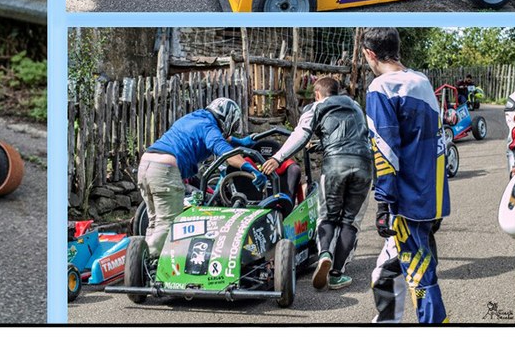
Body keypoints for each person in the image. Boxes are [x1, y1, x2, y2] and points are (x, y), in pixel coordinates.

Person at [362, 28, 449, 324]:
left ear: (370, 54)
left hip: (406, 203)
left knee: (420, 278)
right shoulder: (421, 81)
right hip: (429, 198)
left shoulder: (381, 87)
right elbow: (439, 142)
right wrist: (438, 203)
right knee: (388, 272)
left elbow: (385, 148)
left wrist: (383, 203)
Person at [262, 77, 372, 291]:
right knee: (351, 221)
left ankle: (325, 254)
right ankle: (337, 274)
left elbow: (301, 134)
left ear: (318, 94)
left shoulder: (316, 107)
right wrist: (321, 144)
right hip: (364, 165)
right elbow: (358, 137)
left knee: (328, 216)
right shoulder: (356, 106)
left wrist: (278, 158)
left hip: (335, 165)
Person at [137, 98, 268, 260]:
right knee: (168, 225)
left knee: (154, 222)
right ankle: (149, 261)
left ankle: (140, 261)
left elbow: (220, 138)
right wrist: (251, 169)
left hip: (146, 165)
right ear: (227, 119)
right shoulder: (209, 127)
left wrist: (239, 142)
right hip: (165, 170)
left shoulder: (195, 118)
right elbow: (226, 153)